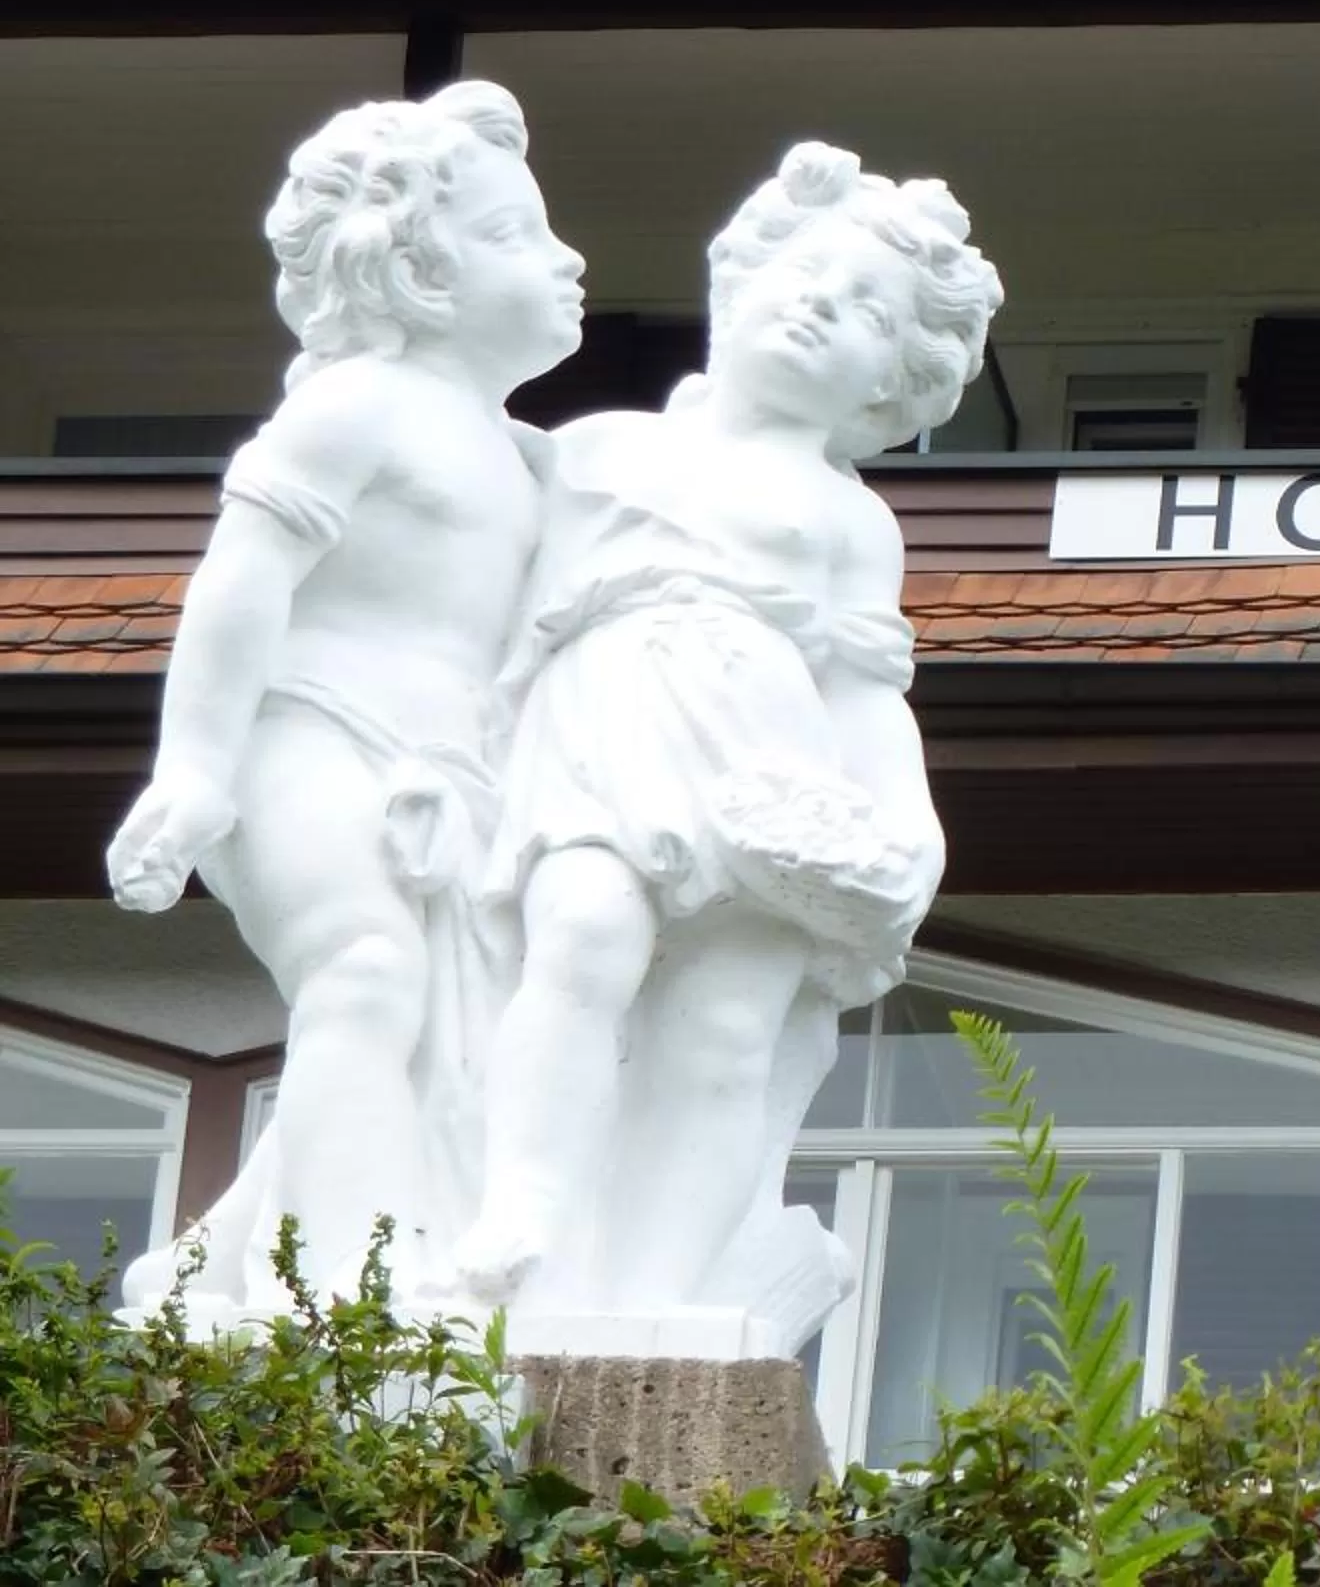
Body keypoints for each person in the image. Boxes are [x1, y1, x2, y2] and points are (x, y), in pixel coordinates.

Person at [455, 143, 999, 1330]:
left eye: (865, 311)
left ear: (886, 389)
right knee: (582, 937)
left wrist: (902, 825)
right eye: (805, 275)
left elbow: (864, 693)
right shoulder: (593, 449)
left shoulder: (853, 522)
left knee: (727, 1025)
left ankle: (661, 1296)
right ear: (739, 282)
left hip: (773, 775)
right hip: (606, 721)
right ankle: (524, 1203)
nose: (819, 305)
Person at [107, 81, 585, 1306]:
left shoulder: (533, 459)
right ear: (418, 273)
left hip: (451, 774)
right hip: (308, 736)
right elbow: (242, 582)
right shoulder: (357, 406)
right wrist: (196, 771)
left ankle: (209, 1273)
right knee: (366, 976)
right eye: (516, 237)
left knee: (423, 1041)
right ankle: (344, 1309)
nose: (567, 258)